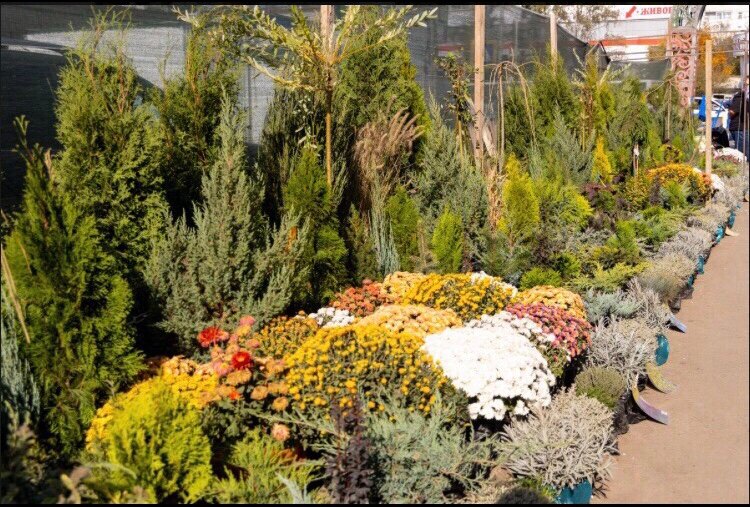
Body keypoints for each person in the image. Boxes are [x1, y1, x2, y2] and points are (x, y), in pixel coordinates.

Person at [728, 76, 749, 157]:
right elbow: (732, 112)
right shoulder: (741, 96)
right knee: (742, 155)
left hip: (742, 129)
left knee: (743, 155)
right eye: (746, 85)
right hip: (740, 129)